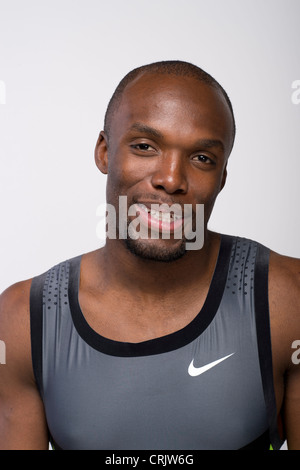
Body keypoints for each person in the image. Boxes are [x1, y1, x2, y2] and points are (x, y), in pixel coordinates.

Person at [0, 60, 299, 450]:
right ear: (105, 152)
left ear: (222, 177)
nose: (171, 179)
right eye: (145, 147)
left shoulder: (286, 299)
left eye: (202, 158)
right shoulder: (25, 319)